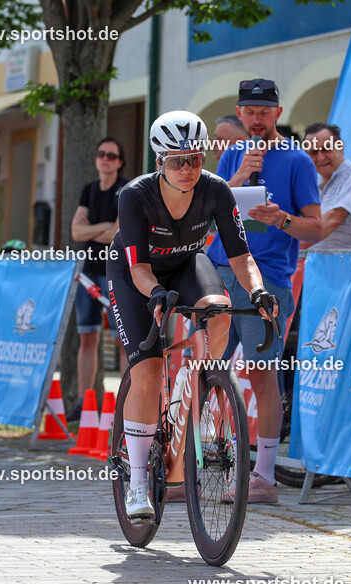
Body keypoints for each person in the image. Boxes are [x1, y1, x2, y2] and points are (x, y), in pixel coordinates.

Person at [107, 110, 277, 520]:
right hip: (137, 276)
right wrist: (156, 294)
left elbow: (241, 257)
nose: (187, 169)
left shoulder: (217, 191)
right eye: (176, 161)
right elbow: (139, 269)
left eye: (195, 159)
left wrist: (257, 290)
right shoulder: (135, 195)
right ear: (159, 163)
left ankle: (196, 382)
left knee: (218, 311)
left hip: (186, 263)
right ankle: (139, 483)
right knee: (147, 373)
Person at [207, 78, 322, 503]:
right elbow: (207, 213)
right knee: (207, 370)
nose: (256, 120)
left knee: (261, 374)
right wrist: (237, 175)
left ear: (277, 113)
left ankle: (265, 478)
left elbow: (317, 225)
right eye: (249, 111)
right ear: (239, 113)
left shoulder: (297, 161)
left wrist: (282, 219)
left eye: (264, 112)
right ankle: (199, 468)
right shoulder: (230, 157)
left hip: (267, 278)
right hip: (221, 272)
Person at [70, 137, 129, 421]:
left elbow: (117, 235)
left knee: (122, 341)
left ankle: (126, 404)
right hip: (87, 272)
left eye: (111, 155)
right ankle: (85, 404)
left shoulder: (126, 190)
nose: (104, 158)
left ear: (119, 162)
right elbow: (75, 233)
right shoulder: (88, 190)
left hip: (115, 272)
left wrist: (92, 229)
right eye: (101, 154)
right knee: (87, 338)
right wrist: (103, 228)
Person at [302, 122, 351, 250]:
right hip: (317, 268)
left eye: (326, 149)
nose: (320, 157)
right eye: (314, 152)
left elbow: (333, 220)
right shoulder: (313, 185)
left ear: (340, 146)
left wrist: (287, 250)